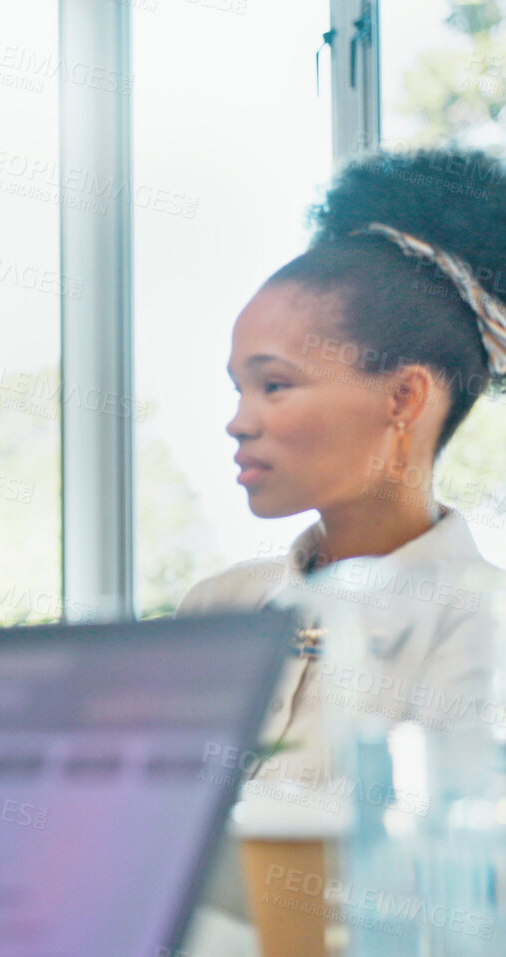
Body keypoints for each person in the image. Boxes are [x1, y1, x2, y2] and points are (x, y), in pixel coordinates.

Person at [181, 148, 506, 790]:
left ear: (403, 398)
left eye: (275, 385)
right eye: (238, 389)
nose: (239, 422)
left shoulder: (486, 626)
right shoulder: (218, 608)